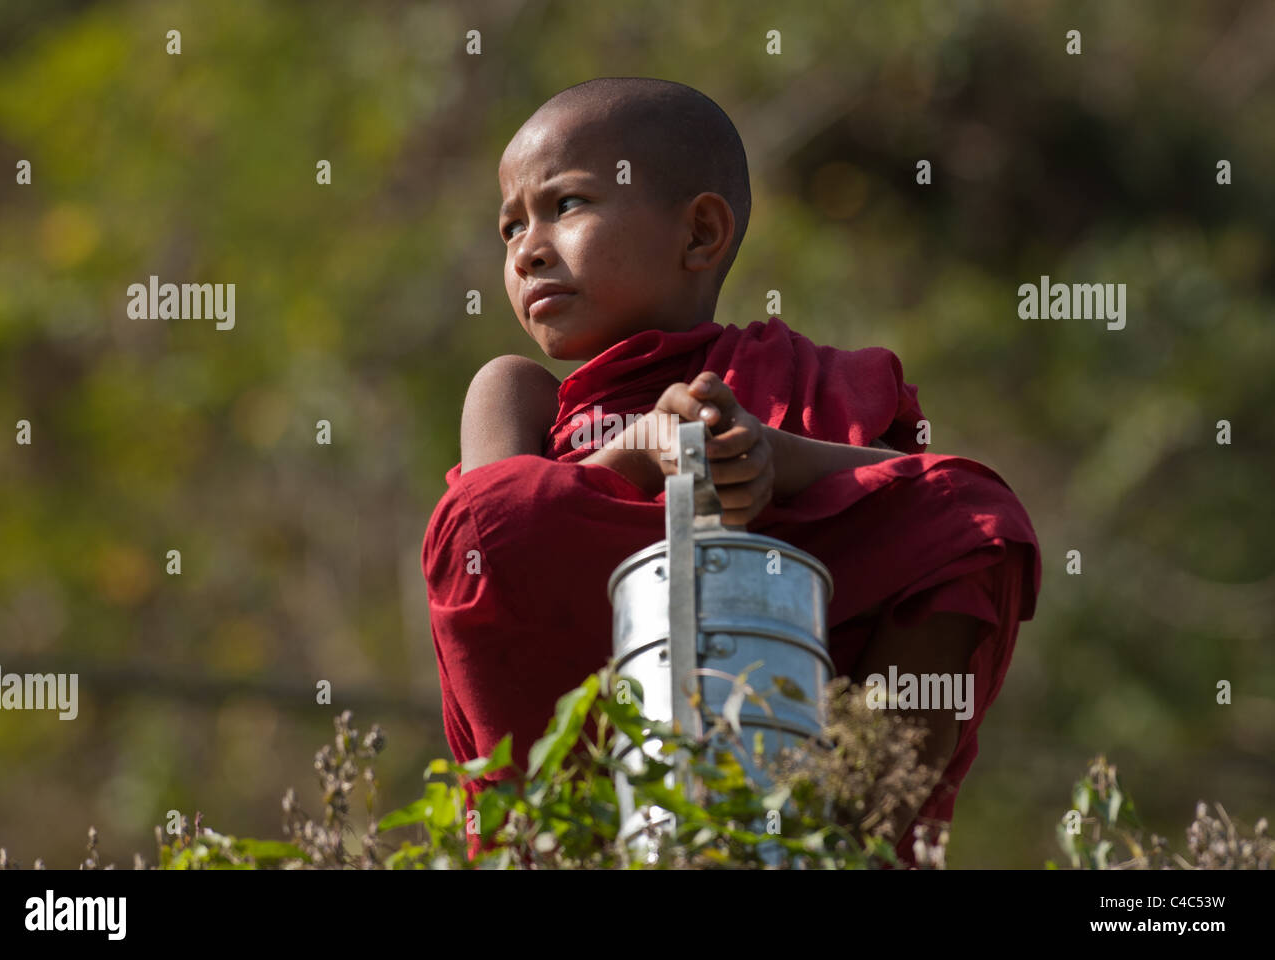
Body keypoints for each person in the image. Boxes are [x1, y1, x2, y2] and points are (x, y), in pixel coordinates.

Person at [421, 77, 1041, 866]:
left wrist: (780, 461)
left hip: (782, 742)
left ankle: (844, 835)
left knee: (976, 515)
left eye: (566, 205)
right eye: (510, 228)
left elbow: (922, 503)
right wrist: (634, 458)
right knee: (487, 516)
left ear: (701, 233)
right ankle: (565, 838)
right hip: (576, 763)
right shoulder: (517, 391)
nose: (527, 249)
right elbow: (485, 545)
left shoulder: (803, 381)